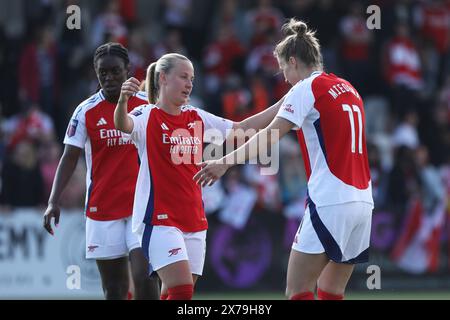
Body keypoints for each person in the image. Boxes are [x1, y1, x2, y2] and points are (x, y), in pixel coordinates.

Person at [194, 18, 374, 300]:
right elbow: (253, 123)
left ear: (292, 61)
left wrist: (225, 162)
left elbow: (268, 135)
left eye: (283, 71)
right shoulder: (346, 88)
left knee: (297, 290)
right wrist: (225, 131)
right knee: (331, 290)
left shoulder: (306, 90)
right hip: (362, 201)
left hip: (330, 199)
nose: (284, 78)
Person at [114, 53, 284, 300]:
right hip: (159, 219)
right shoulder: (147, 115)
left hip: (193, 218)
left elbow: (241, 129)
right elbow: (123, 125)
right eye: (183, 77)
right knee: (181, 290)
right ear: (162, 78)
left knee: (176, 293)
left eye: (192, 79)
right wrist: (122, 101)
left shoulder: (196, 116)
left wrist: (285, 103)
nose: (189, 84)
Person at [43, 42, 160, 300]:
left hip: (141, 208)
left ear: (128, 69)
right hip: (102, 210)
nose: (109, 78)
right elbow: (69, 156)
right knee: (114, 288)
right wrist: (53, 200)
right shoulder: (85, 111)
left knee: (144, 278)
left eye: (115, 71)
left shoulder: (147, 106)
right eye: (102, 73)